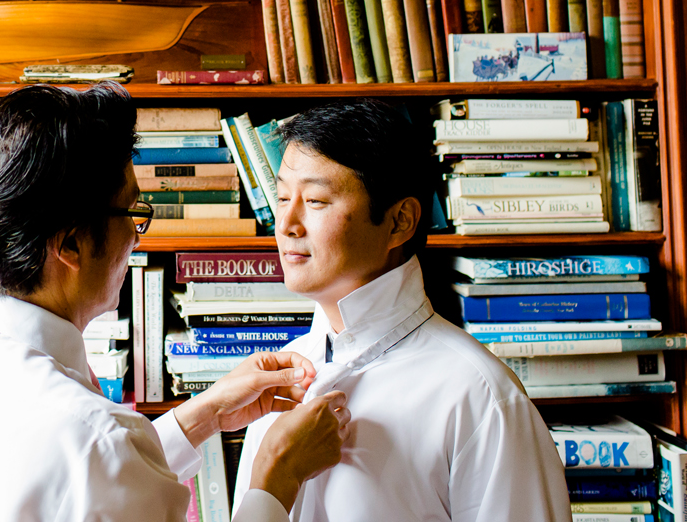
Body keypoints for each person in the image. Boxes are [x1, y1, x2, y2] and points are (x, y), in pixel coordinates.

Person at [0, 84, 350, 521]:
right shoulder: (95, 440)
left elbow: (83, 479)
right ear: (70, 246)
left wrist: (205, 413)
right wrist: (275, 477)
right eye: (132, 212)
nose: (136, 237)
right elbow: (95, 462)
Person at [232, 99, 572, 521]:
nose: (286, 223)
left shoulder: (480, 396)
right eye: (283, 197)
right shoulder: (270, 387)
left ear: (399, 221)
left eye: (316, 201)